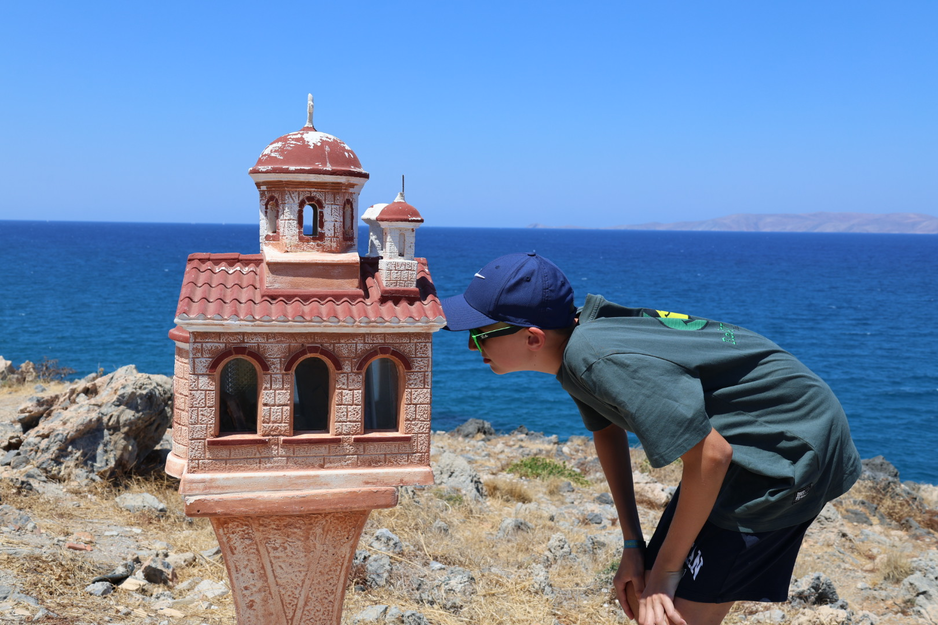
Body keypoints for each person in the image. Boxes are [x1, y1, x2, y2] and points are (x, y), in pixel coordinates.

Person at [441, 252, 861, 625]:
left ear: (533, 338)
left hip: (788, 451)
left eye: (479, 335)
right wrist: (632, 544)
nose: (472, 347)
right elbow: (607, 429)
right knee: (645, 592)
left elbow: (711, 455)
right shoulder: (577, 344)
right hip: (741, 444)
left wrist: (664, 573)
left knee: (670, 608)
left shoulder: (595, 358)